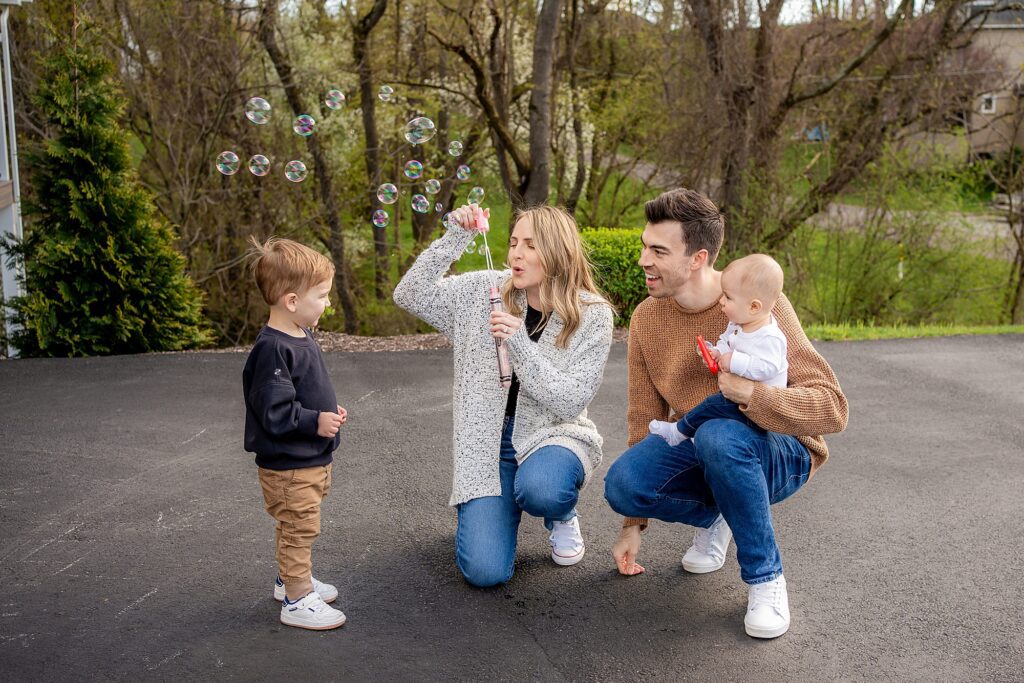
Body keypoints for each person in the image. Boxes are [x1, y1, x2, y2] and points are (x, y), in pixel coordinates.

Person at [602, 189, 848, 639]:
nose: (642, 260)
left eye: (658, 251)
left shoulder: (759, 306)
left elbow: (832, 408)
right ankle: (720, 513)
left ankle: (766, 579)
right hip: (704, 445)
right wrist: (633, 525)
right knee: (624, 484)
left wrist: (753, 394)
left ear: (697, 258)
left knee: (718, 434)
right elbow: (644, 421)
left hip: (780, 452)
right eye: (644, 246)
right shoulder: (646, 319)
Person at [394, 203, 614, 587]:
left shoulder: (592, 314)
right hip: (487, 445)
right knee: (485, 572)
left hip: (553, 436)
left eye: (530, 244)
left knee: (542, 489)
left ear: (558, 251)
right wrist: (455, 237)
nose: (516, 253)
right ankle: (483, 510)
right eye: (513, 242)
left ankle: (560, 512)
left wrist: (519, 344)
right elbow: (409, 294)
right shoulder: (484, 290)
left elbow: (568, 402)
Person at [242, 237, 349, 631]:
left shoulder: (301, 335)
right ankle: (297, 598)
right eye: (320, 296)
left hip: (310, 458)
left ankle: (291, 578)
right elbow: (274, 411)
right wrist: (312, 421)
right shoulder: (271, 348)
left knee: (301, 524)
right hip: (289, 466)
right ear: (291, 301)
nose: (326, 303)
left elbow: (305, 390)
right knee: (299, 526)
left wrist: (327, 412)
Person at [648, 253, 788, 448]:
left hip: (760, 413)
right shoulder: (739, 323)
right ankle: (697, 435)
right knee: (713, 407)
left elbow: (769, 367)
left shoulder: (769, 336)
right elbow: (727, 342)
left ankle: (679, 431)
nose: (721, 301)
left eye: (728, 297)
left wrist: (734, 361)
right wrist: (716, 351)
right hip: (738, 403)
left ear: (754, 307)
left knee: (713, 406)